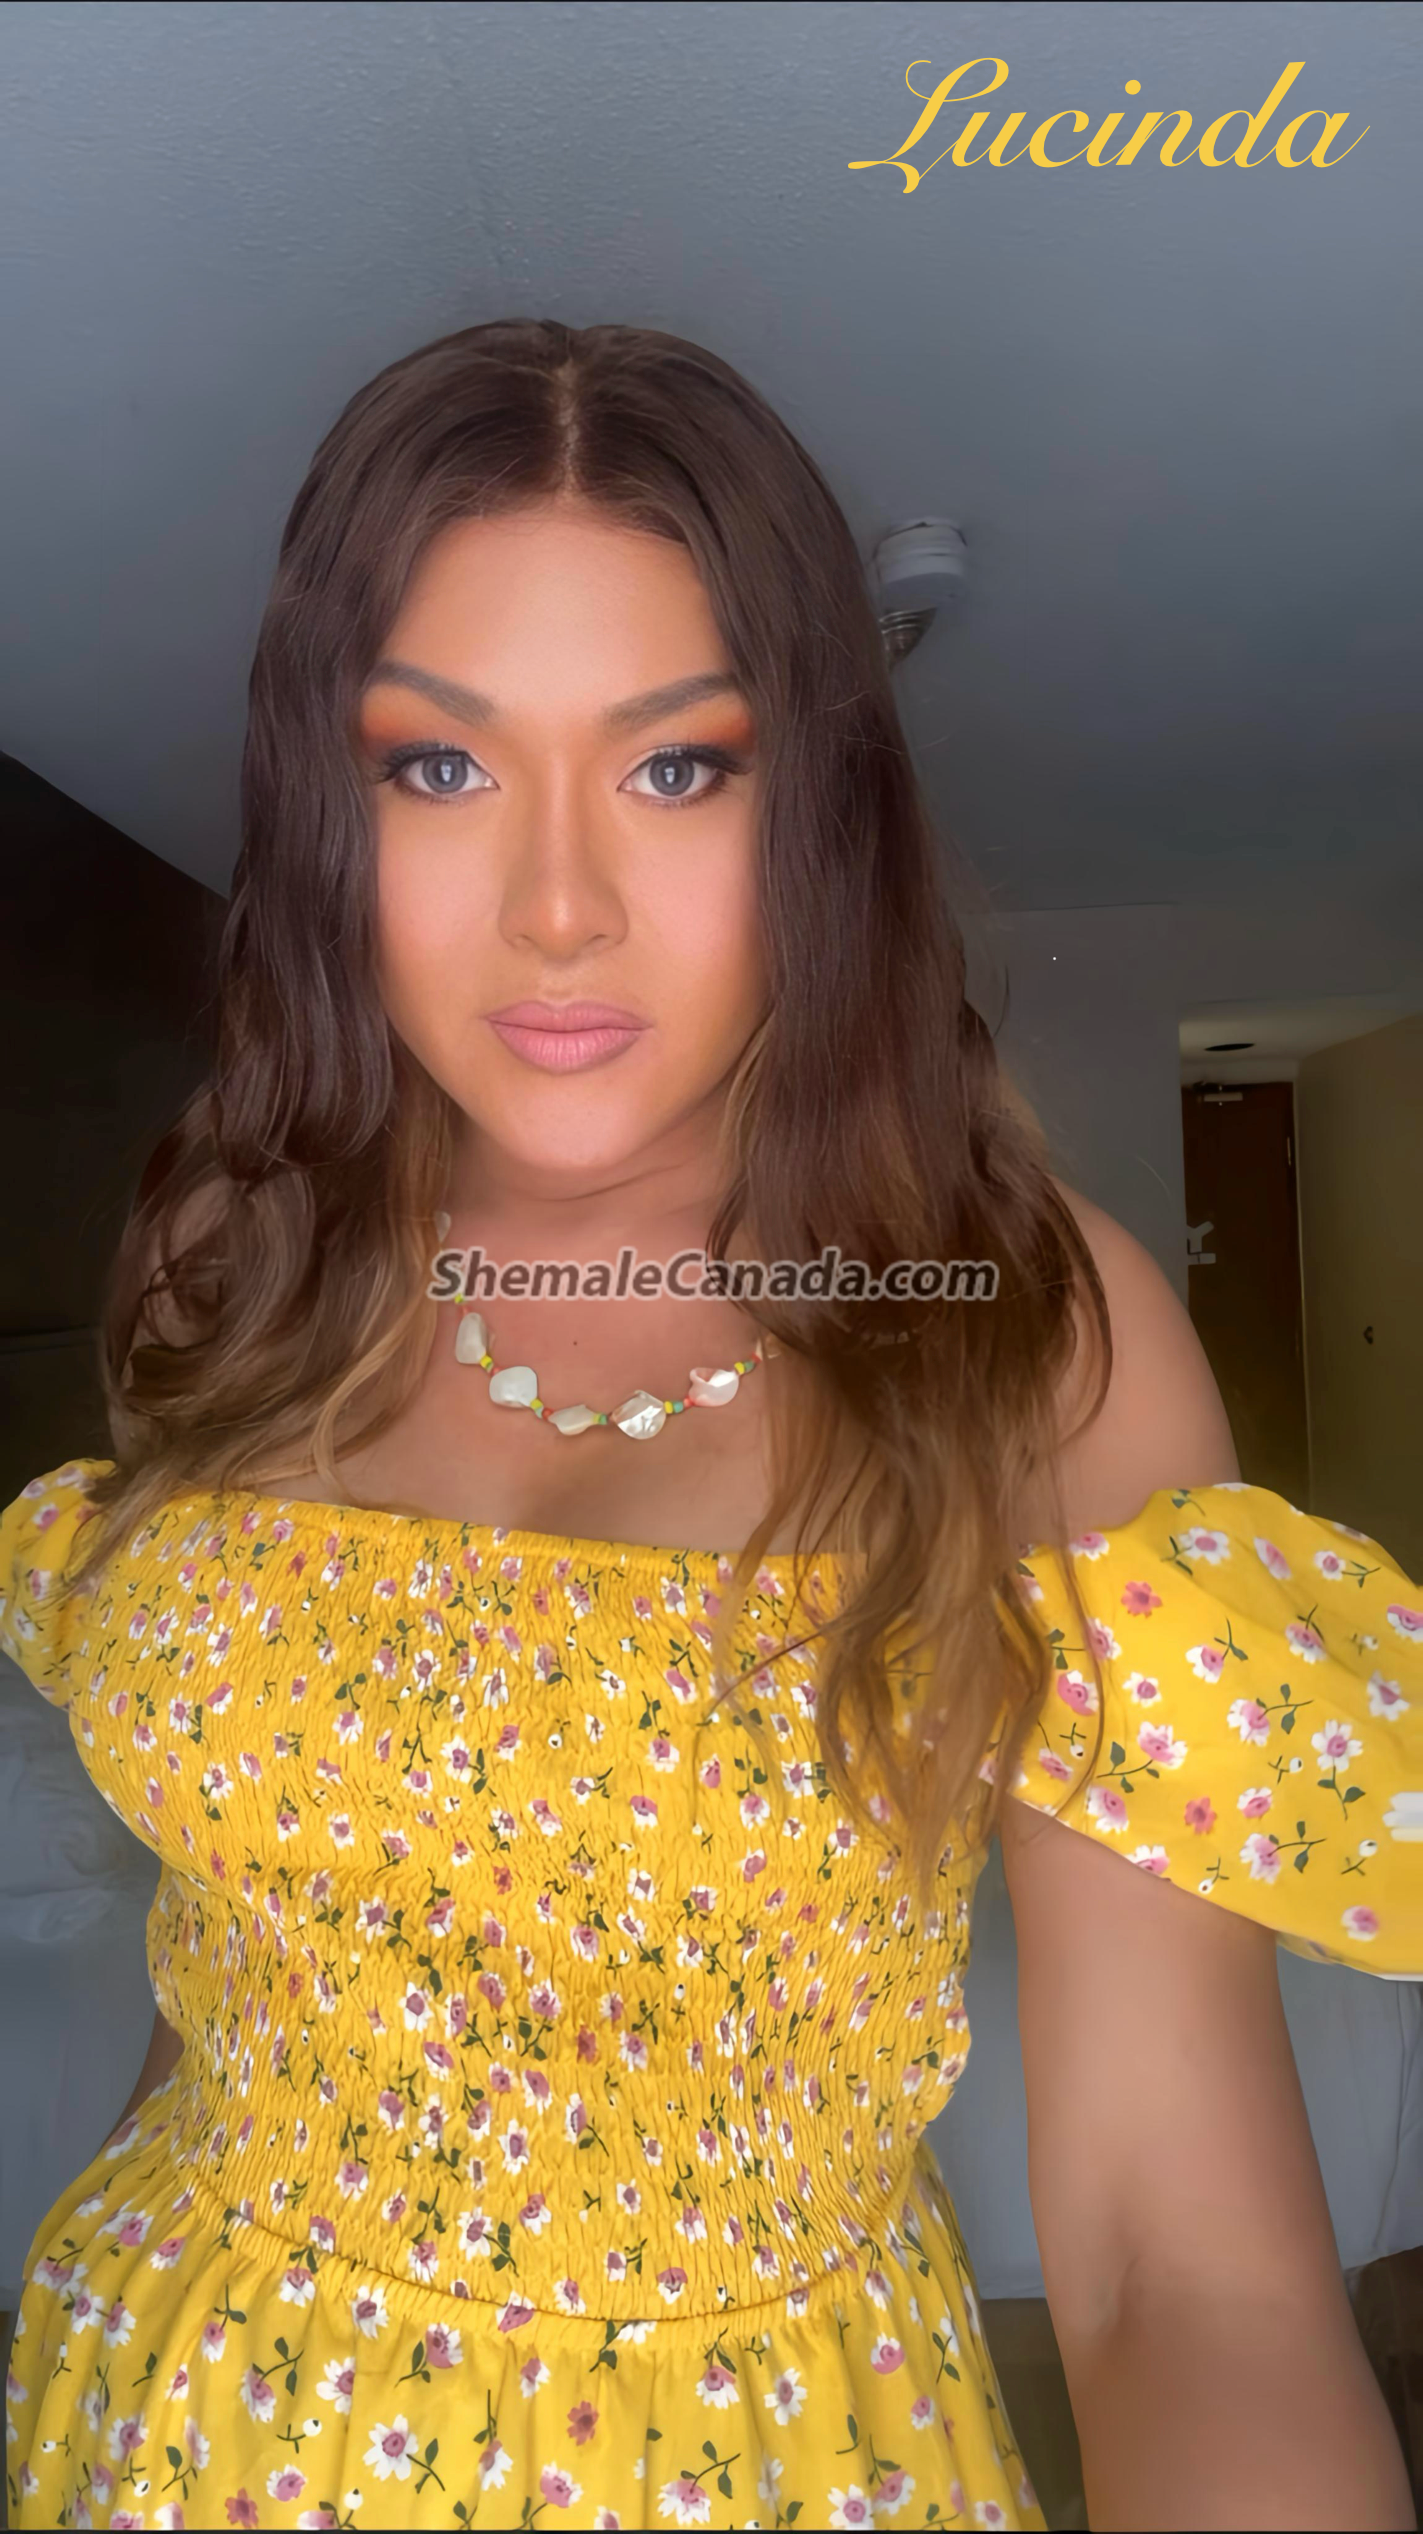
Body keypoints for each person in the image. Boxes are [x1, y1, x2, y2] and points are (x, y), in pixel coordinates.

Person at [2, 318, 1418, 2534]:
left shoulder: (1019, 1338)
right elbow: (247, 1928)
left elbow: (1187, 2276)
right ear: (325, 808)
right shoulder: (230, 1243)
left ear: (818, 808)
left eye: (677, 768)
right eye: (438, 767)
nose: (558, 904)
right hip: (152, 2411)